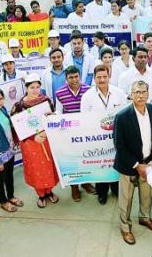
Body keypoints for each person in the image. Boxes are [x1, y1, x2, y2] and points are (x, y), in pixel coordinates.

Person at [114, 80, 152, 245]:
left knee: (147, 195)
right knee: (125, 199)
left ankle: (144, 218)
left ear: (148, 94)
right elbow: (119, 146)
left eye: (143, 92)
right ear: (131, 94)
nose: (140, 95)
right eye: (137, 92)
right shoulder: (122, 116)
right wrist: (137, 165)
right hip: (128, 165)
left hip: (149, 163)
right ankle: (125, 227)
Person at [11, 75, 59, 208]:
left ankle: (49, 192)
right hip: (30, 143)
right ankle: (41, 194)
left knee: (49, 166)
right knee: (36, 168)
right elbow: (16, 126)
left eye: (38, 87)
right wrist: (33, 137)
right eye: (32, 87)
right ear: (26, 88)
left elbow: (52, 117)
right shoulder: (19, 106)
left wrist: (47, 128)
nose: (35, 90)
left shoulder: (46, 100)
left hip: (46, 139)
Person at [81, 65, 127, 204]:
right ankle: (102, 192)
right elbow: (85, 119)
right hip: (98, 139)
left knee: (116, 163)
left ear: (109, 77)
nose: (102, 80)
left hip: (117, 137)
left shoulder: (119, 93)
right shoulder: (87, 97)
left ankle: (115, 188)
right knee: (100, 165)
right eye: (99, 77)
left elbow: (125, 115)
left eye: (104, 77)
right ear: (94, 78)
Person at [54, 66, 96, 201]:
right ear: (66, 79)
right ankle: (74, 187)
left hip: (85, 132)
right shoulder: (60, 93)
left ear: (80, 76)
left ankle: (85, 183)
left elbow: (92, 111)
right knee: (71, 160)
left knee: (85, 159)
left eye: (76, 76)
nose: (74, 80)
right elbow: (58, 113)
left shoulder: (88, 90)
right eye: (71, 77)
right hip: (68, 133)